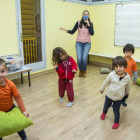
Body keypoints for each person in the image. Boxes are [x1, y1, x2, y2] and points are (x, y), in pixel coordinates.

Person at [0, 58, 29, 140]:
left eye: (2, 71)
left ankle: (24, 138)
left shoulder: (11, 84)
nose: (0, 74)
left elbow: (18, 98)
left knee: (18, 124)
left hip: (10, 108)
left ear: (6, 70)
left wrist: (23, 110)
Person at [59, 10, 94, 77]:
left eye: (87, 14)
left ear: (88, 16)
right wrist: (65, 29)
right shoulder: (78, 22)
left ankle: (84, 71)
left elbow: (92, 33)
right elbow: (72, 31)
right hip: (79, 43)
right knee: (79, 58)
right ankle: (80, 70)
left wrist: (89, 25)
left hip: (87, 43)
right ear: (82, 15)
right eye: (84, 14)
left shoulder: (91, 23)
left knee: (84, 58)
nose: (85, 15)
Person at [100, 56, 131, 129]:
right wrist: (102, 89)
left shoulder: (127, 77)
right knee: (106, 106)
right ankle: (104, 113)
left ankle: (116, 122)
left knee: (116, 111)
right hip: (109, 96)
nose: (118, 68)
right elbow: (106, 82)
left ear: (125, 66)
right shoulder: (111, 74)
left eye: (120, 66)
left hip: (118, 98)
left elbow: (128, 86)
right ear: (114, 67)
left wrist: (127, 92)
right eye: (116, 66)